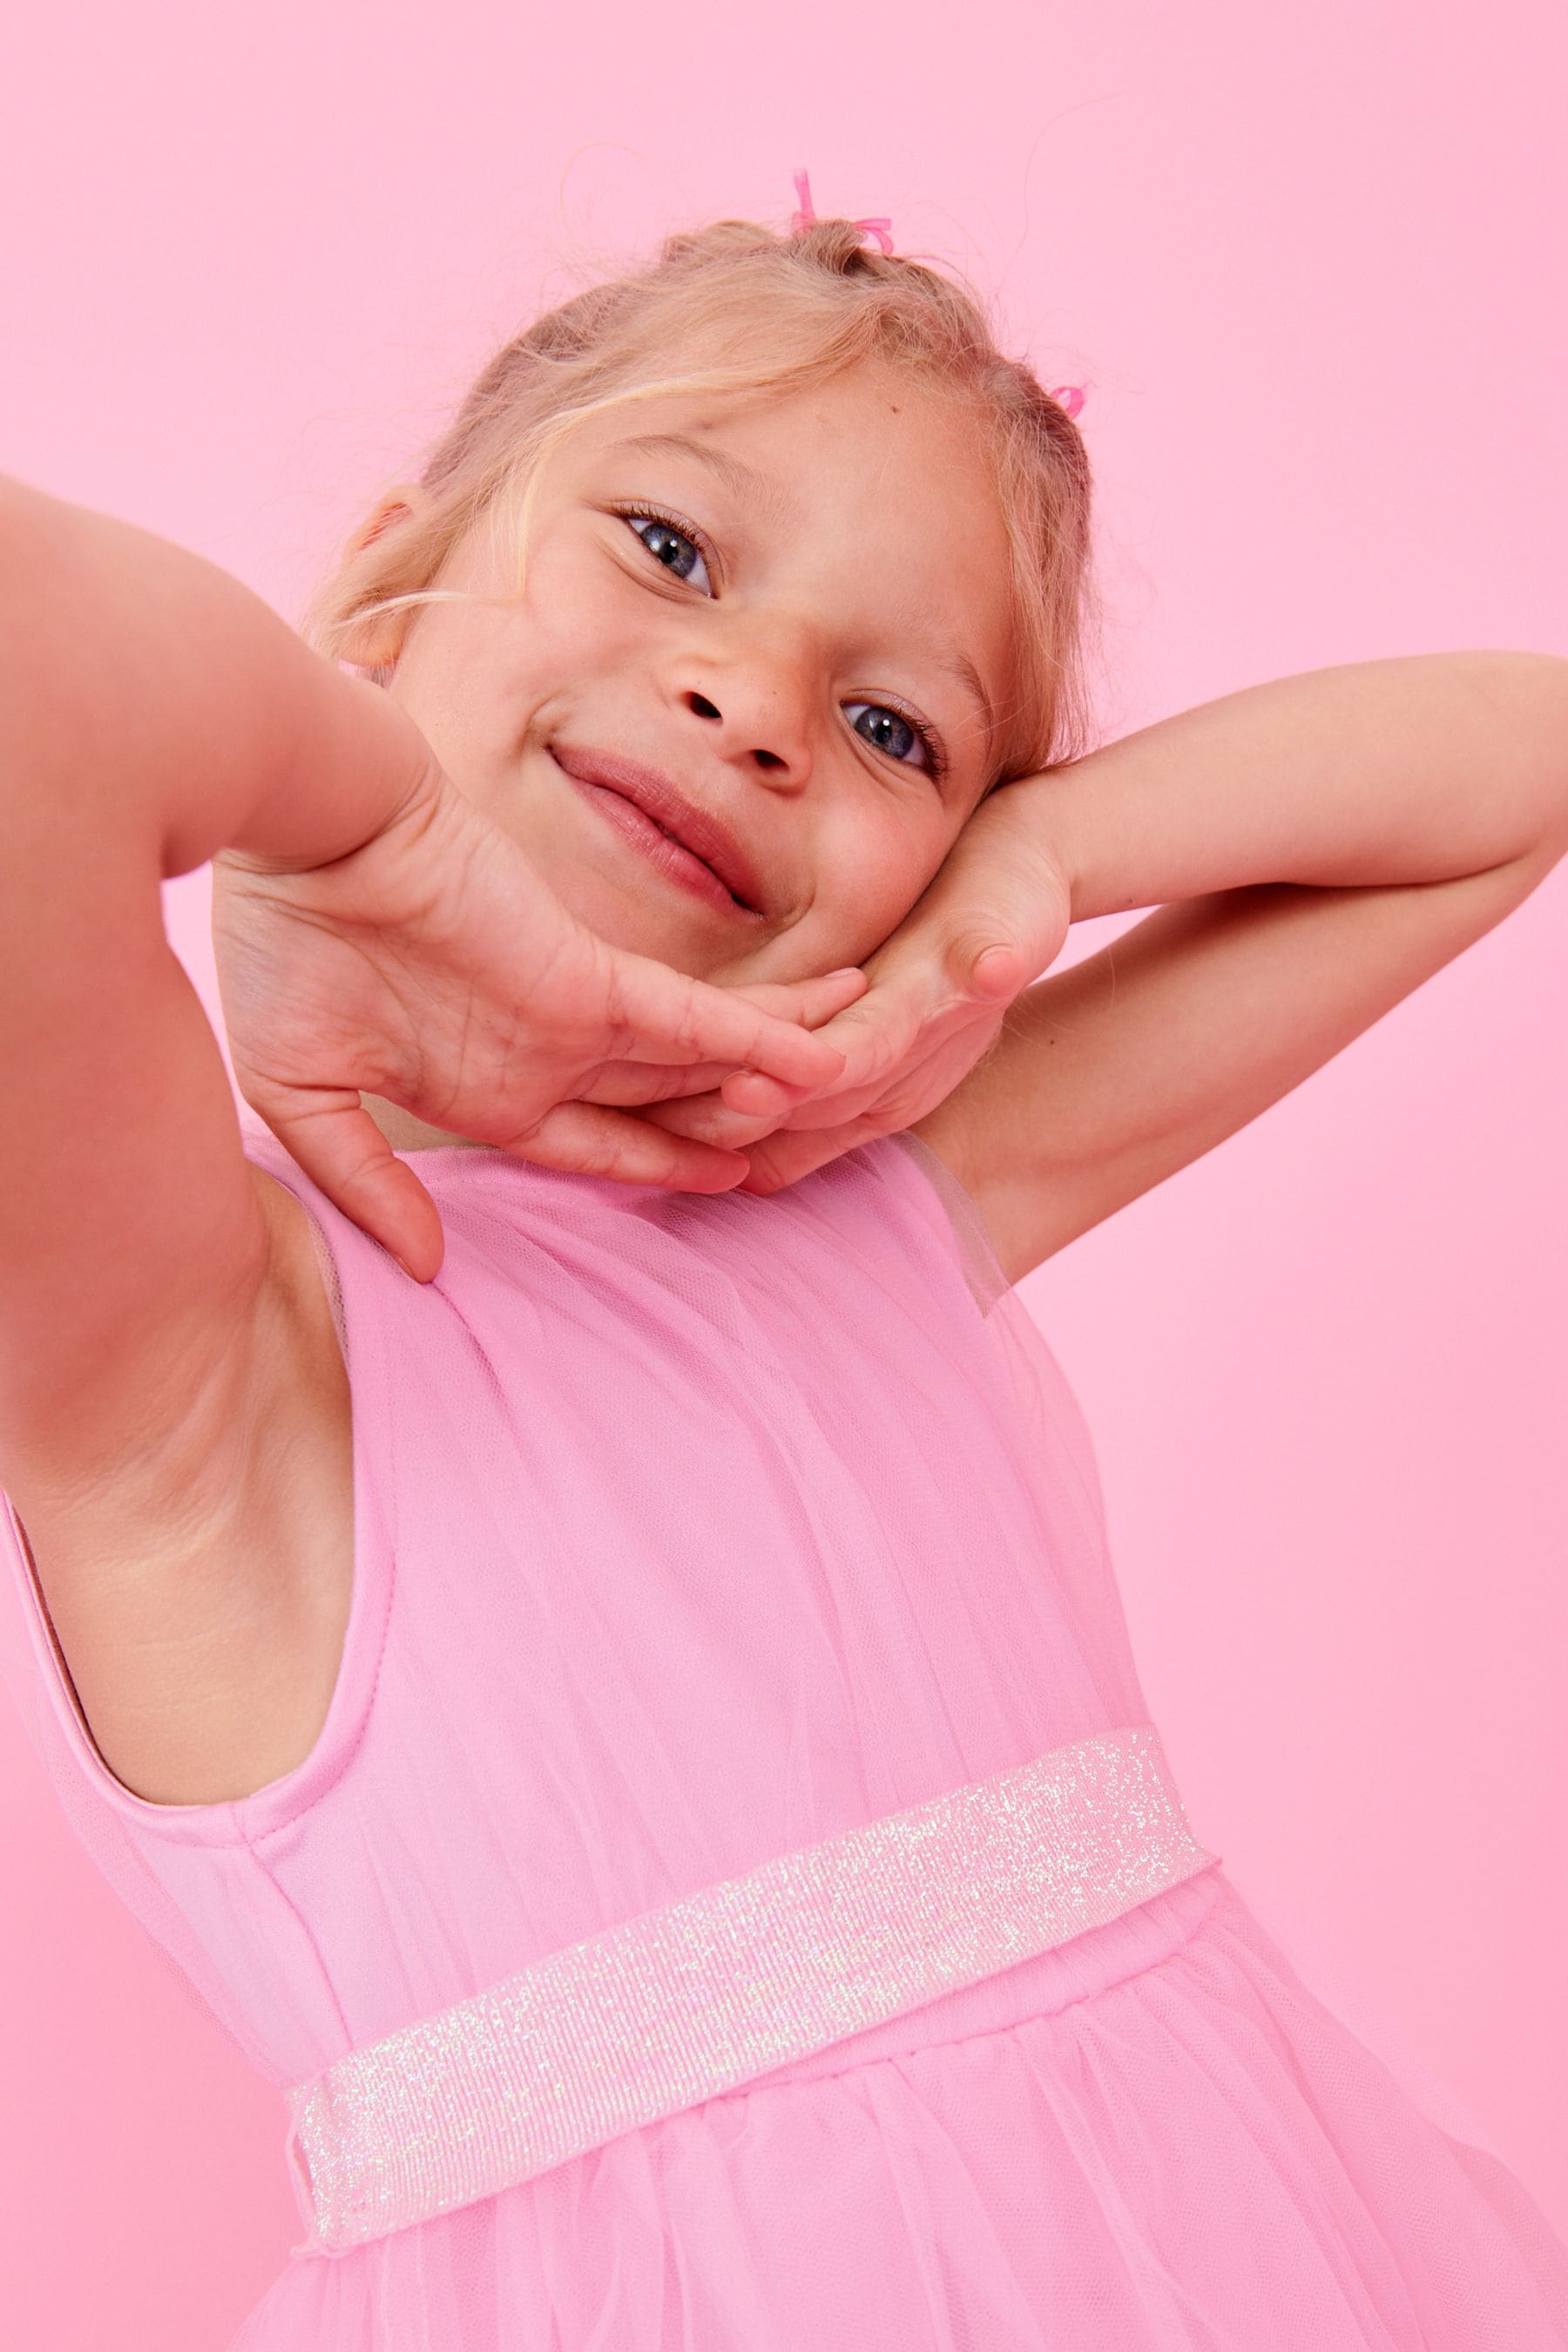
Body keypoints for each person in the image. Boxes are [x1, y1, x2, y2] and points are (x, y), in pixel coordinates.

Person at [1, 203, 1565, 2350]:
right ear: (383, 590)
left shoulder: (867, 1195)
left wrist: (1042, 863)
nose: (754, 704)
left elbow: (1519, 765)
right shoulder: (207, 1351)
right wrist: (349, 833)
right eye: (668, 548)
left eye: (899, 732)